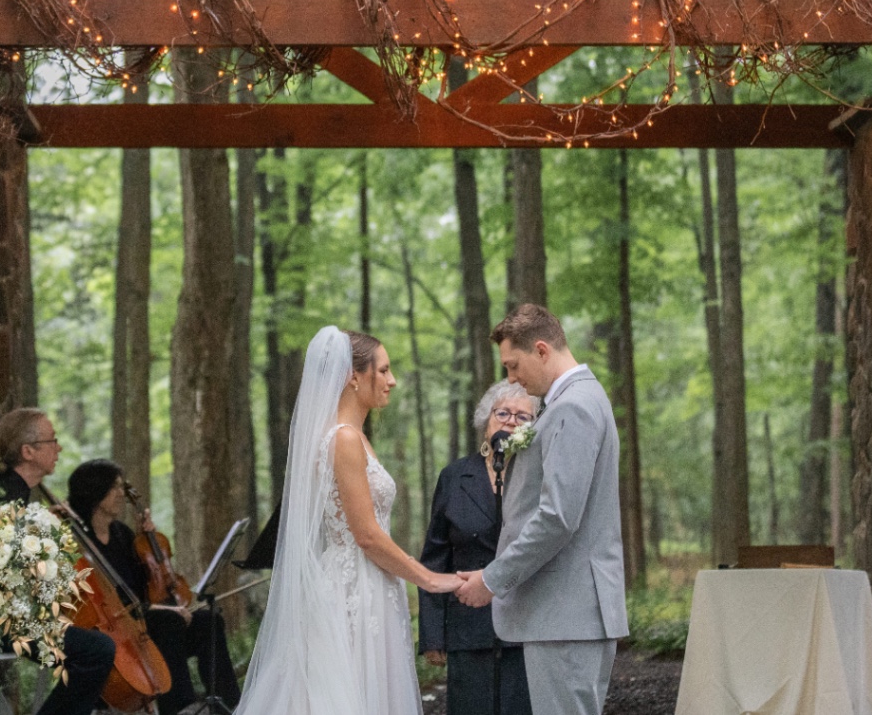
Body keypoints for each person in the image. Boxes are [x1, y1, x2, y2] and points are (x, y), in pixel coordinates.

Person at [235, 325, 461, 715]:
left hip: (370, 584)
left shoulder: (352, 435)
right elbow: (367, 536)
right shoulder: (344, 439)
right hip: (352, 590)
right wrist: (427, 578)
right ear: (353, 376)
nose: (393, 380)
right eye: (384, 370)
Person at [454, 304, 628, 715]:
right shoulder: (581, 397)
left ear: (543, 350)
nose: (511, 378)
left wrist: (493, 579)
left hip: (567, 612)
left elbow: (557, 517)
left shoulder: (572, 407)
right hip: (572, 612)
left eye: (514, 365)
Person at [63, 459, 241, 714]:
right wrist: (164, 610)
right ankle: (180, 707)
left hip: (145, 621)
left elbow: (142, 585)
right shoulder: (82, 542)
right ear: (95, 492)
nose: (121, 494)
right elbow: (115, 600)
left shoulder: (122, 533)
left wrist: (144, 540)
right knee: (168, 621)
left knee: (208, 621)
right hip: (120, 627)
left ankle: (230, 705)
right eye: (114, 488)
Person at [419, 380, 538, 715]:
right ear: (487, 420)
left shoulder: (539, 476)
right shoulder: (454, 477)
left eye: (523, 417)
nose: (511, 421)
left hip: (526, 624)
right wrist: (433, 635)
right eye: (503, 413)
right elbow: (435, 557)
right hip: (468, 625)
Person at [0, 408, 117, 715]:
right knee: (97, 650)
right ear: (28, 451)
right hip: (5, 623)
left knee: (95, 646)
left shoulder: (22, 495)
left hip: (22, 615)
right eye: (52, 441)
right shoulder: (6, 496)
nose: (58, 448)